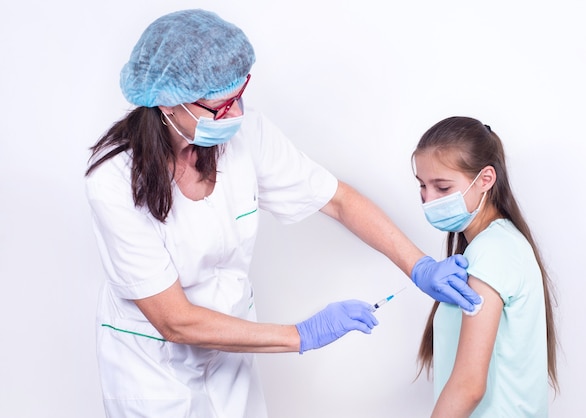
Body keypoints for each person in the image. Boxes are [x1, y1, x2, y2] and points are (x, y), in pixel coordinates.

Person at [84, 9, 481, 418]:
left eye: (240, 96)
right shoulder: (112, 180)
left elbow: (338, 199)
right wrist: (303, 334)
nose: (236, 115)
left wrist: (419, 266)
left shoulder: (246, 135)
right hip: (152, 371)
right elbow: (176, 322)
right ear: (168, 103)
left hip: (231, 355)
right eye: (220, 108)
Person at [411, 116, 558, 417]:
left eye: (442, 187)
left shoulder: (492, 250)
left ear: (485, 179)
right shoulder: (494, 244)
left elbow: (469, 386)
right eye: (423, 185)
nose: (428, 199)